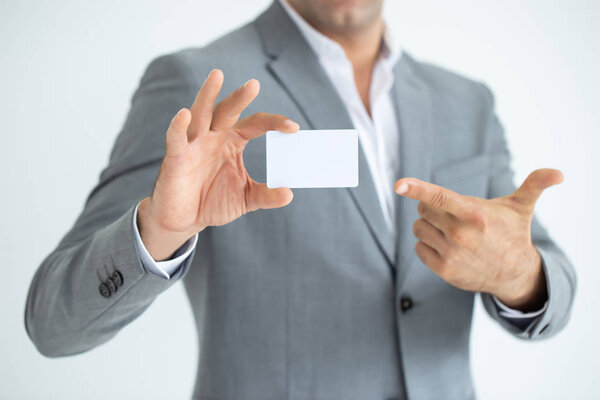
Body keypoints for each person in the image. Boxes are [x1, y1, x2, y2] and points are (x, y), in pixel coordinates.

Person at [25, 0, 576, 398]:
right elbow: (53, 325)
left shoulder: (468, 102)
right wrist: (162, 231)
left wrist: (521, 275)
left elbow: (551, 281)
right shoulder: (193, 81)